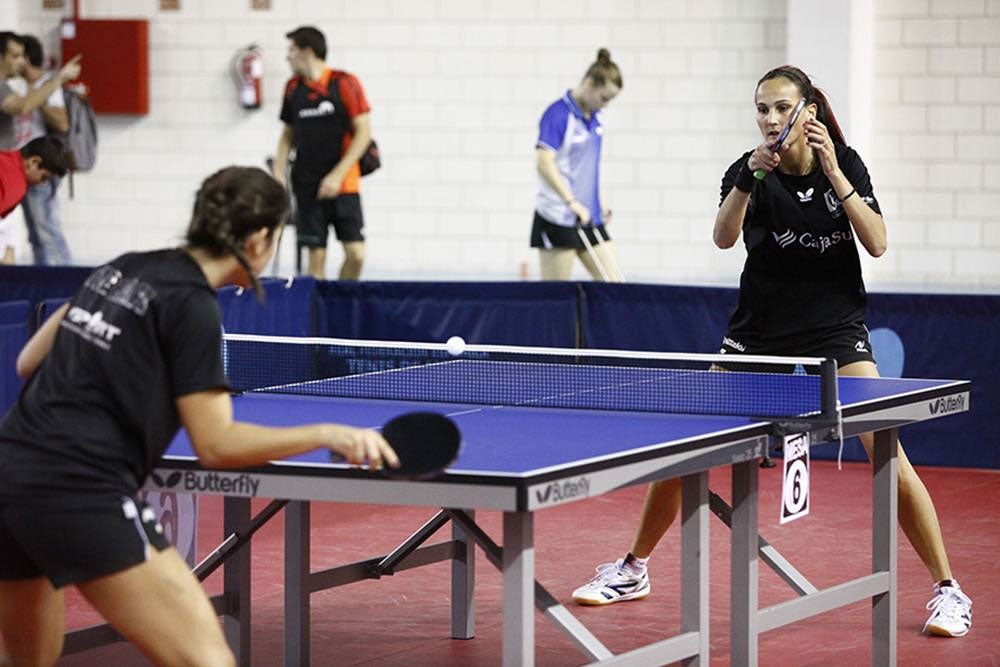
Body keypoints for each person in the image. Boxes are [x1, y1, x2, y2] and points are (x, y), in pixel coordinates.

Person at [570, 66, 973, 639]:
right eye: (762, 108)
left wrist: (835, 173)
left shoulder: (847, 163)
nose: (770, 119)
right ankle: (633, 568)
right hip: (757, 333)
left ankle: (948, 590)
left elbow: (878, 242)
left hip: (835, 331)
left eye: (782, 107)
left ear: (808, 110)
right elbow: (723, 237)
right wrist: (746, 180)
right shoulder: (749, 169)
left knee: (887, 449)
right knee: (689, 446)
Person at [0, 166, 399, 665]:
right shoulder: (191, 307)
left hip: (11, 470)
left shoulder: (126, 266)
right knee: (207, 660)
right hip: (80, 487)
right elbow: (218, 445)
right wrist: (324, 432)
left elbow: (28, 361)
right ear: (258, 239)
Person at [272, 25, 371, 281]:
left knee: (356, 253)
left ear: (307, 51)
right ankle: (318, 317)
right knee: (315, 259)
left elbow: (364, 134)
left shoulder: (344, 83)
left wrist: (337, 176)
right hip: (307, 185)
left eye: (292, 50)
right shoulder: (293, 89)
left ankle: (344, 303)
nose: (288, 57)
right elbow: (287, 136)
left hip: (344, 184)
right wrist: (278, 173)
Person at [531, 48, 621, 281]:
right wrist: (571, 202)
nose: (605, 105)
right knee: (556, 298)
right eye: (604, 98)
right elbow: (544, 163)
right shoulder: (558, 114)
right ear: (589, 83)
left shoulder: (595, 119)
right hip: (559, 216)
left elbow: (589, 167)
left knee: (614, 284)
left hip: (588, 216)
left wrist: (599, 201)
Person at [15, 34, 73, 265]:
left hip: (41, 165)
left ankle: (65, 282)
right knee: (34, 234)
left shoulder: (47, 86)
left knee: (46, 230)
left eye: (18, 56)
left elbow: (62, 123)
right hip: (21, 163)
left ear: (27, 59)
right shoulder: (16, 85)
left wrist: (37, 97)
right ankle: (42, 279)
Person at [0, 136, 69, 264]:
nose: (40, 183)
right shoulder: (16, 184)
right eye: (43, 177)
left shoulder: (5, 157)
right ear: (33, 162)